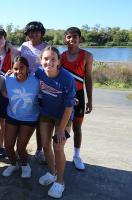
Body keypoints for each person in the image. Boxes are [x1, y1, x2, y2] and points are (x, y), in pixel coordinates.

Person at [36, 46, 76, 199]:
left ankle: (60, 182)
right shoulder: (39, 73)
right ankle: (52, 173)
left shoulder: (66, 79)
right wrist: (11, 73)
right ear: (41, 61)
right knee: (45, 145)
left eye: (53, 59)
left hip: (63, 116)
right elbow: (24, 74)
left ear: (59, 61)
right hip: (46, 113)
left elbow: (69, 106)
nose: (49, 62)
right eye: (46, 59)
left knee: (58, 147)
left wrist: (60, 129)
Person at [61, 27, 93, 171]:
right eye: (68, 37)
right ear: (65, 39)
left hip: (79, 95)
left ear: (80, 38)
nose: (71, 39)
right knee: (61, 126)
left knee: (77, 127)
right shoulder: (61, 56)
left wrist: (90, 100)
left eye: (75, 37)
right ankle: (59, 152)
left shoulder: (87, 56)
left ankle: (77, 155)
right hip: (64, 96)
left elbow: (88, 79)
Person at [2, 56, 39, 179]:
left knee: (20, 147)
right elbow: (3, 91)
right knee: (8, 145)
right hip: (12, 115)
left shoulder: (36, 81)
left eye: (22, 68)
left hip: (30, 118)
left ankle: (25, 165)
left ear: (28, 68)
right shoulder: (8, 79)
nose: (19, 71)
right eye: (15, 68)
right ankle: (13, 165)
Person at [0, 28, 20, 158]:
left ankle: (2, 146)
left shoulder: (12, 53)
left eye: (1, 38)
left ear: (5, 40)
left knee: (3, 121)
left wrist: (12, 70)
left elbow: (19, 60)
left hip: (5, 90)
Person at [19, 21, 48, 164]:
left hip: (42, 88)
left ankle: (39, 150)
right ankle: (21, 148)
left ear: (42, 33)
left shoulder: (47, 47)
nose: (33, 34)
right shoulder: (24, 46)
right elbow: (17, 62)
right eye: (30, 32)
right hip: (26, 87)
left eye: (37, 31)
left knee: (40, 122)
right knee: (25, 117)